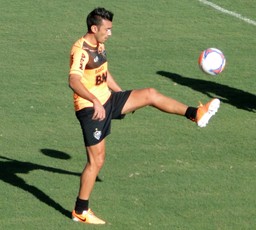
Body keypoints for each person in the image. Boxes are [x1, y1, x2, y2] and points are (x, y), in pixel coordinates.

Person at [69, 7, 220, 225]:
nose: (110, 33)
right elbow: (74, 81)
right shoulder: (80, 50)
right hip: (91, 109)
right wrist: (94, 101)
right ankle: (80, 211)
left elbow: (102, 71)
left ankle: (195, 114)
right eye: (107, 29)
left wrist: (120, 94)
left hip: (108, 100)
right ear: (94, 28)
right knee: (97, 161)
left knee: (149, 94)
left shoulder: (99, 44)